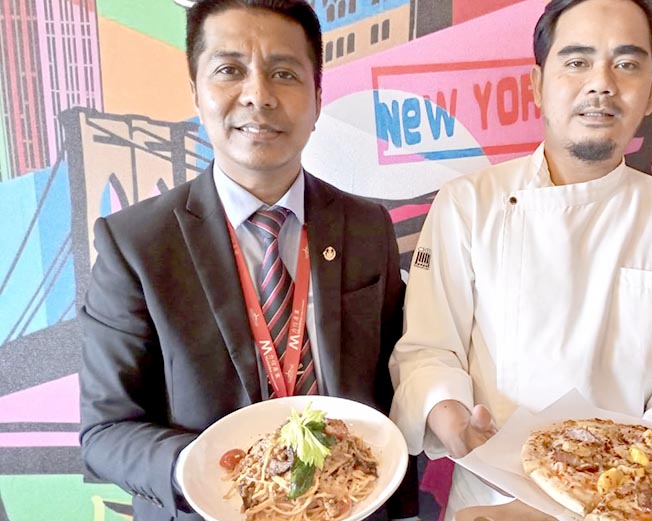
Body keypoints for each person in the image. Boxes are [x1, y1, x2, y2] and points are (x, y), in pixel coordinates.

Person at [388, 0, 652, 517]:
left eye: (626, 63)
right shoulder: (469, 204)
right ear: (537, 84)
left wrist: (623, 483)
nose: (601, 83)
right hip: (491, 498)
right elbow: (428, 349)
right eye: (577, 61)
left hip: (629, 506)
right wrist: (453, 420)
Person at [78, 1, 418, 519]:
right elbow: (105, 431)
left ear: (317, 99)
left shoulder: (367, 226)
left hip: (350, 503)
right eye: (229, 70)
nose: (258, 95)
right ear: (196, 92)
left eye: (284, 73)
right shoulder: (135, 245)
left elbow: (396, 374)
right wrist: (197, 470)